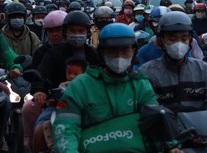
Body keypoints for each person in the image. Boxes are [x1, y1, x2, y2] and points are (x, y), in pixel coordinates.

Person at [52, 23, 161, 153]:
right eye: (112, 51)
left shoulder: (141, 84)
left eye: (125, 50)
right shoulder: (80, 86)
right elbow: (66, 128)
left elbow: (155, 124)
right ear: (102, 53)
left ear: (134, 51)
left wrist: (173, 146)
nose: (119, 56)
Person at [138, 12, 207, 126]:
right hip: (165, 137)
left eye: (184, 38)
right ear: (161, 41)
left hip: (201, 132)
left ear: (190, 41)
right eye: (172, 39)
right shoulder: (148, 72)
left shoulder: (202, 69)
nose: (178, 44)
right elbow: (146, 108)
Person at [22, 10, 67, 149]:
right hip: (52, 100)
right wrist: (39, 91)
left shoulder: (86, 51)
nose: (54, 34)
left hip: (82, 100)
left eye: (58, 30)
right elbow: (39, 75)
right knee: (29, 109)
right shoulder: (42, 52)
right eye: (50, 31)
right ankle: (29, 142)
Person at [31, 57, 87, 152]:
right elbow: (57, 98)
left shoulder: (89, 86)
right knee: (39, 129)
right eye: (69, 73)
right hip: (59, 110)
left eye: (76, 74)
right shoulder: (62, 86)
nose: (72, 76)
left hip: (82, 113)